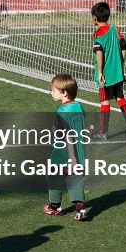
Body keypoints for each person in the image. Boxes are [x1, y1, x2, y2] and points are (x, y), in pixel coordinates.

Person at [46, 74, 90, 220]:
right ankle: (81, 210)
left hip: (63, 153)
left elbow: (67, 135)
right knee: (76, 181)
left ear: (64, 93)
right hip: (80, 151)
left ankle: (54, 206)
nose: (51, 92)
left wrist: (71, 157)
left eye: (53, 90)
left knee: (54, 177)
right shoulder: (78, 106)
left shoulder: (61, 111)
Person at [90, 2, 126, 140]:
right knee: (120, 98)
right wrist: (120, 63)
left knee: (105, 101)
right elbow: (124, 47)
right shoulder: (115, 29)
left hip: (106, 75)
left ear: (94, 18)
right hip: (118, 73)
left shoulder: (98, 34)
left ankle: (103, 132)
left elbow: (99, 53)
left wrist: (99, 72)